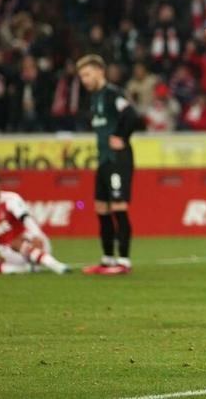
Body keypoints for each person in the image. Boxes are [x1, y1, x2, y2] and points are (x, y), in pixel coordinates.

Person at [77, 54, 138, 275]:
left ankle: (124, 261)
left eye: (87, 74)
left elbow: (131, 115)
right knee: (101, 208)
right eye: (82, 76)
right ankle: (107, 259)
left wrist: (122, 136)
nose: (84, 80)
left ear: (99, 71)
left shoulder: (113, 94)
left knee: (118, 207)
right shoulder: (94, 98)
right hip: (103, 160)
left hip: (117, 160)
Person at [0, 172, 70, 275]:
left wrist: (36, 236)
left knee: (15, 242)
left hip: (33, 244)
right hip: (11, 256)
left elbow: (26, 219)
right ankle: (23, 269)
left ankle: (56, 265)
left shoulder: (10, 199)